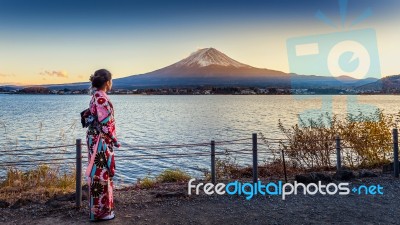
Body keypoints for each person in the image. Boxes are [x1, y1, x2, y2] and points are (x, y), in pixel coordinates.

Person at [85, 69, 120, 221]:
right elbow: (106, 124)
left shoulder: (95, 96)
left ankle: (98, 210)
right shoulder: (102, 99)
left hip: (94, 138)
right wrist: (114, 139)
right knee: (102, 174)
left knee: (97, 173)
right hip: (101, 140)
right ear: (107, 82)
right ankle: (103, 212)